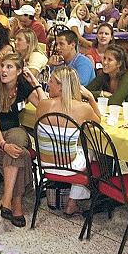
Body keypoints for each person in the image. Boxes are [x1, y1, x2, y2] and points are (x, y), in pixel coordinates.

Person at [0, 53, 46, 227]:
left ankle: (6, 198)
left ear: (19, 71)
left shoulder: (23, 86)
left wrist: (35, 82)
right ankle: (16, 202)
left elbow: (45, 106)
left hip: (14, 133)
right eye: (2, 66)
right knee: (21, 154)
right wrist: (3, 145)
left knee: (17, 139)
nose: (3, 70)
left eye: (9, 67)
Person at [36, 66, 101, 216]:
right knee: (90, 150)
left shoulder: (43, 104)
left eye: (51, 81)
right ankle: (74, 201)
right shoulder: (83, 108)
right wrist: (91, 98)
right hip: (69, 166)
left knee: (76, 147)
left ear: (60, 86)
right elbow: (98, 122)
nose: (47, 84)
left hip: (44, 164)